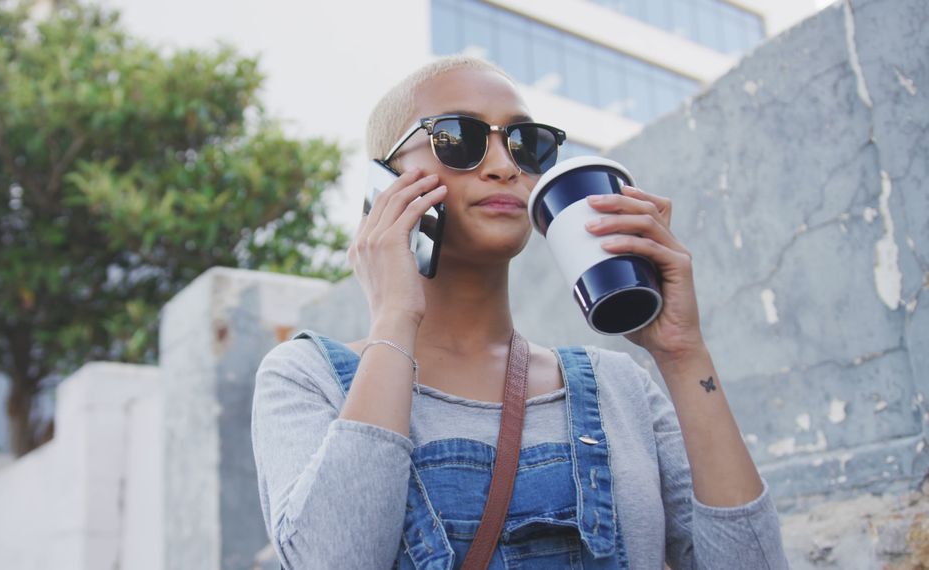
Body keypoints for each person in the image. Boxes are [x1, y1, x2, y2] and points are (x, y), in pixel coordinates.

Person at [251, 55, 788, 569]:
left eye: (526, 144)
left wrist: (682, 353)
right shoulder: (307, 379)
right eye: (458, 137)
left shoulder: (620, 388)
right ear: (384, 182)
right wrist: (393, 317)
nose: (504, 166)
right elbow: (332, 559)